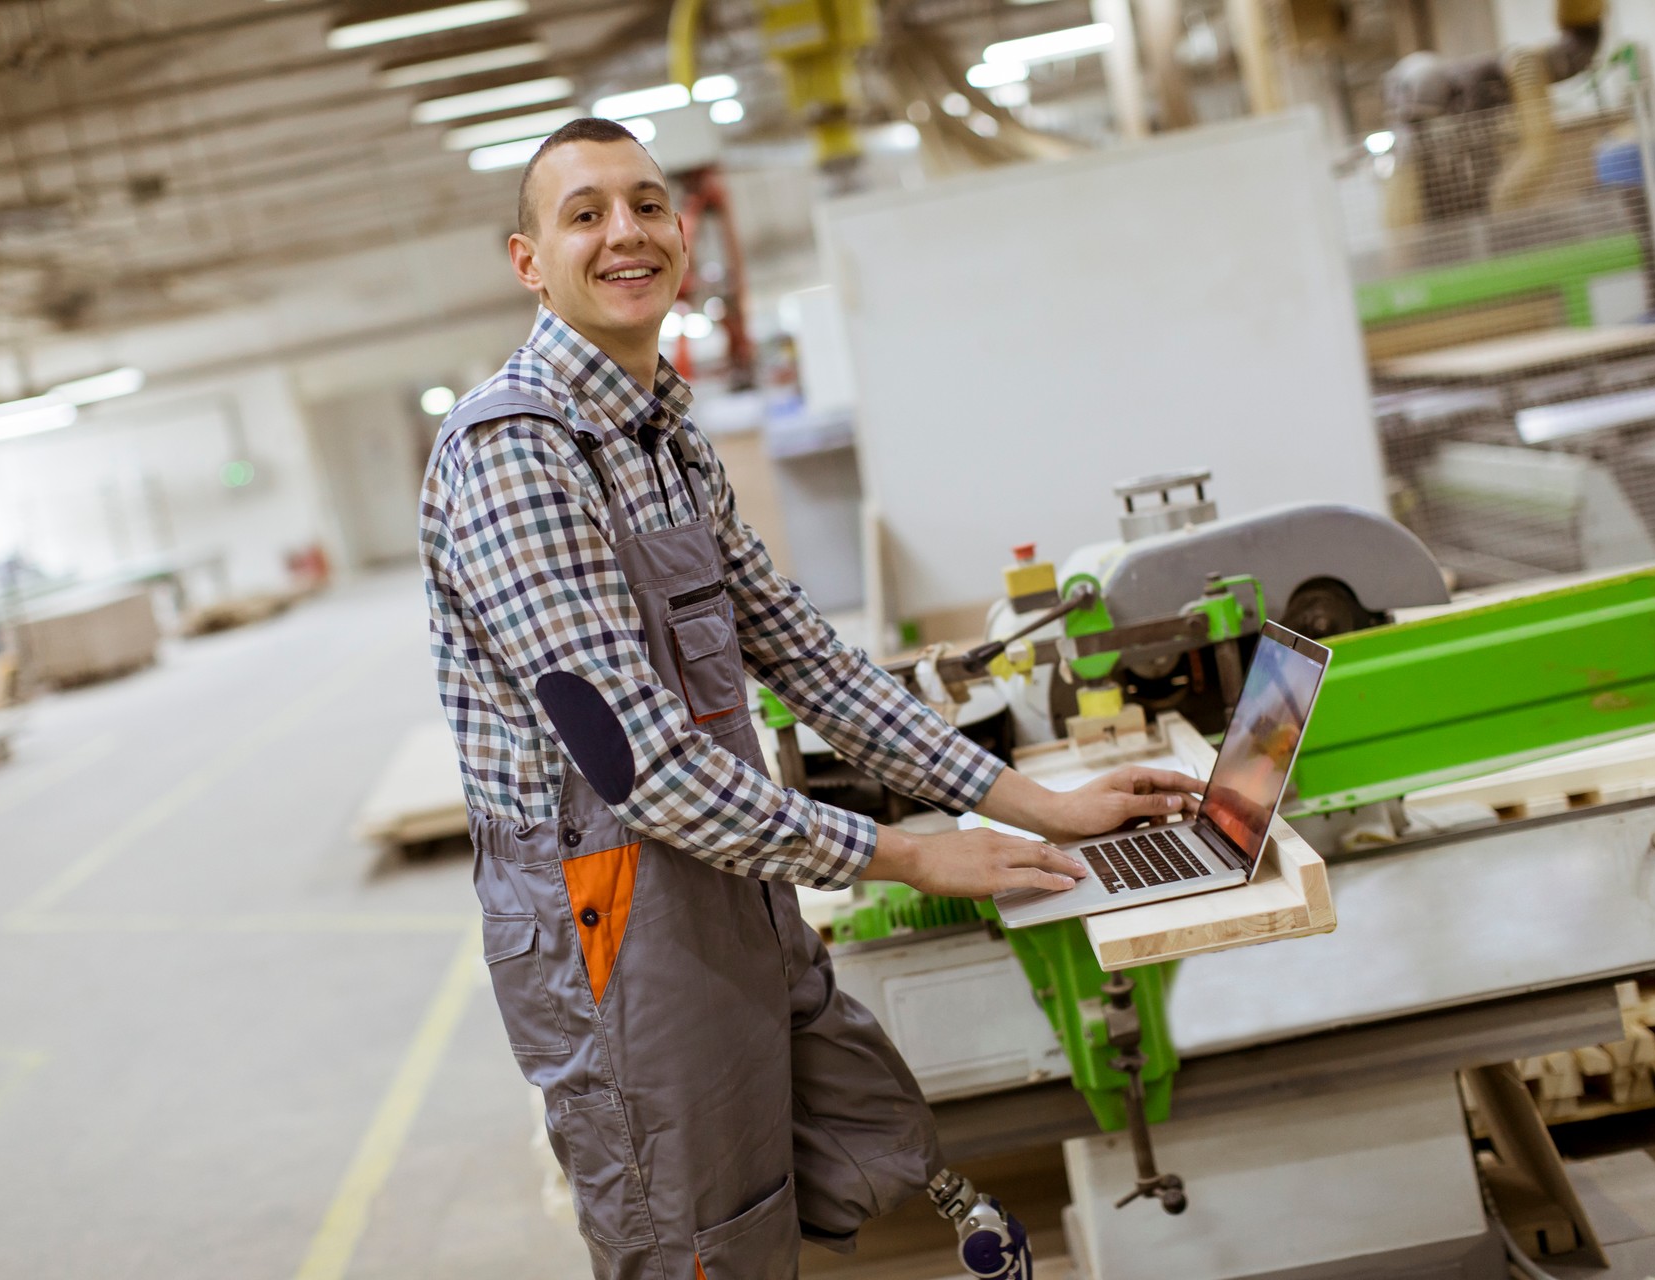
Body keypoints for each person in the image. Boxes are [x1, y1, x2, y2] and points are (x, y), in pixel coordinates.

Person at [417, 116, 1202, 1279]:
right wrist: (910, 853)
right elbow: (648, 772)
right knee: (695, 1236)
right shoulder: (517, 455)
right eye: (584, 213)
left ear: (682, 235)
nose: (625, 232)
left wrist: (1023, 798)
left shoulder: (663, 433)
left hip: (725, 876)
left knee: (822, 1163)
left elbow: (806, 656)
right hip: (614, 910)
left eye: (646, 204)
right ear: (529, 260)